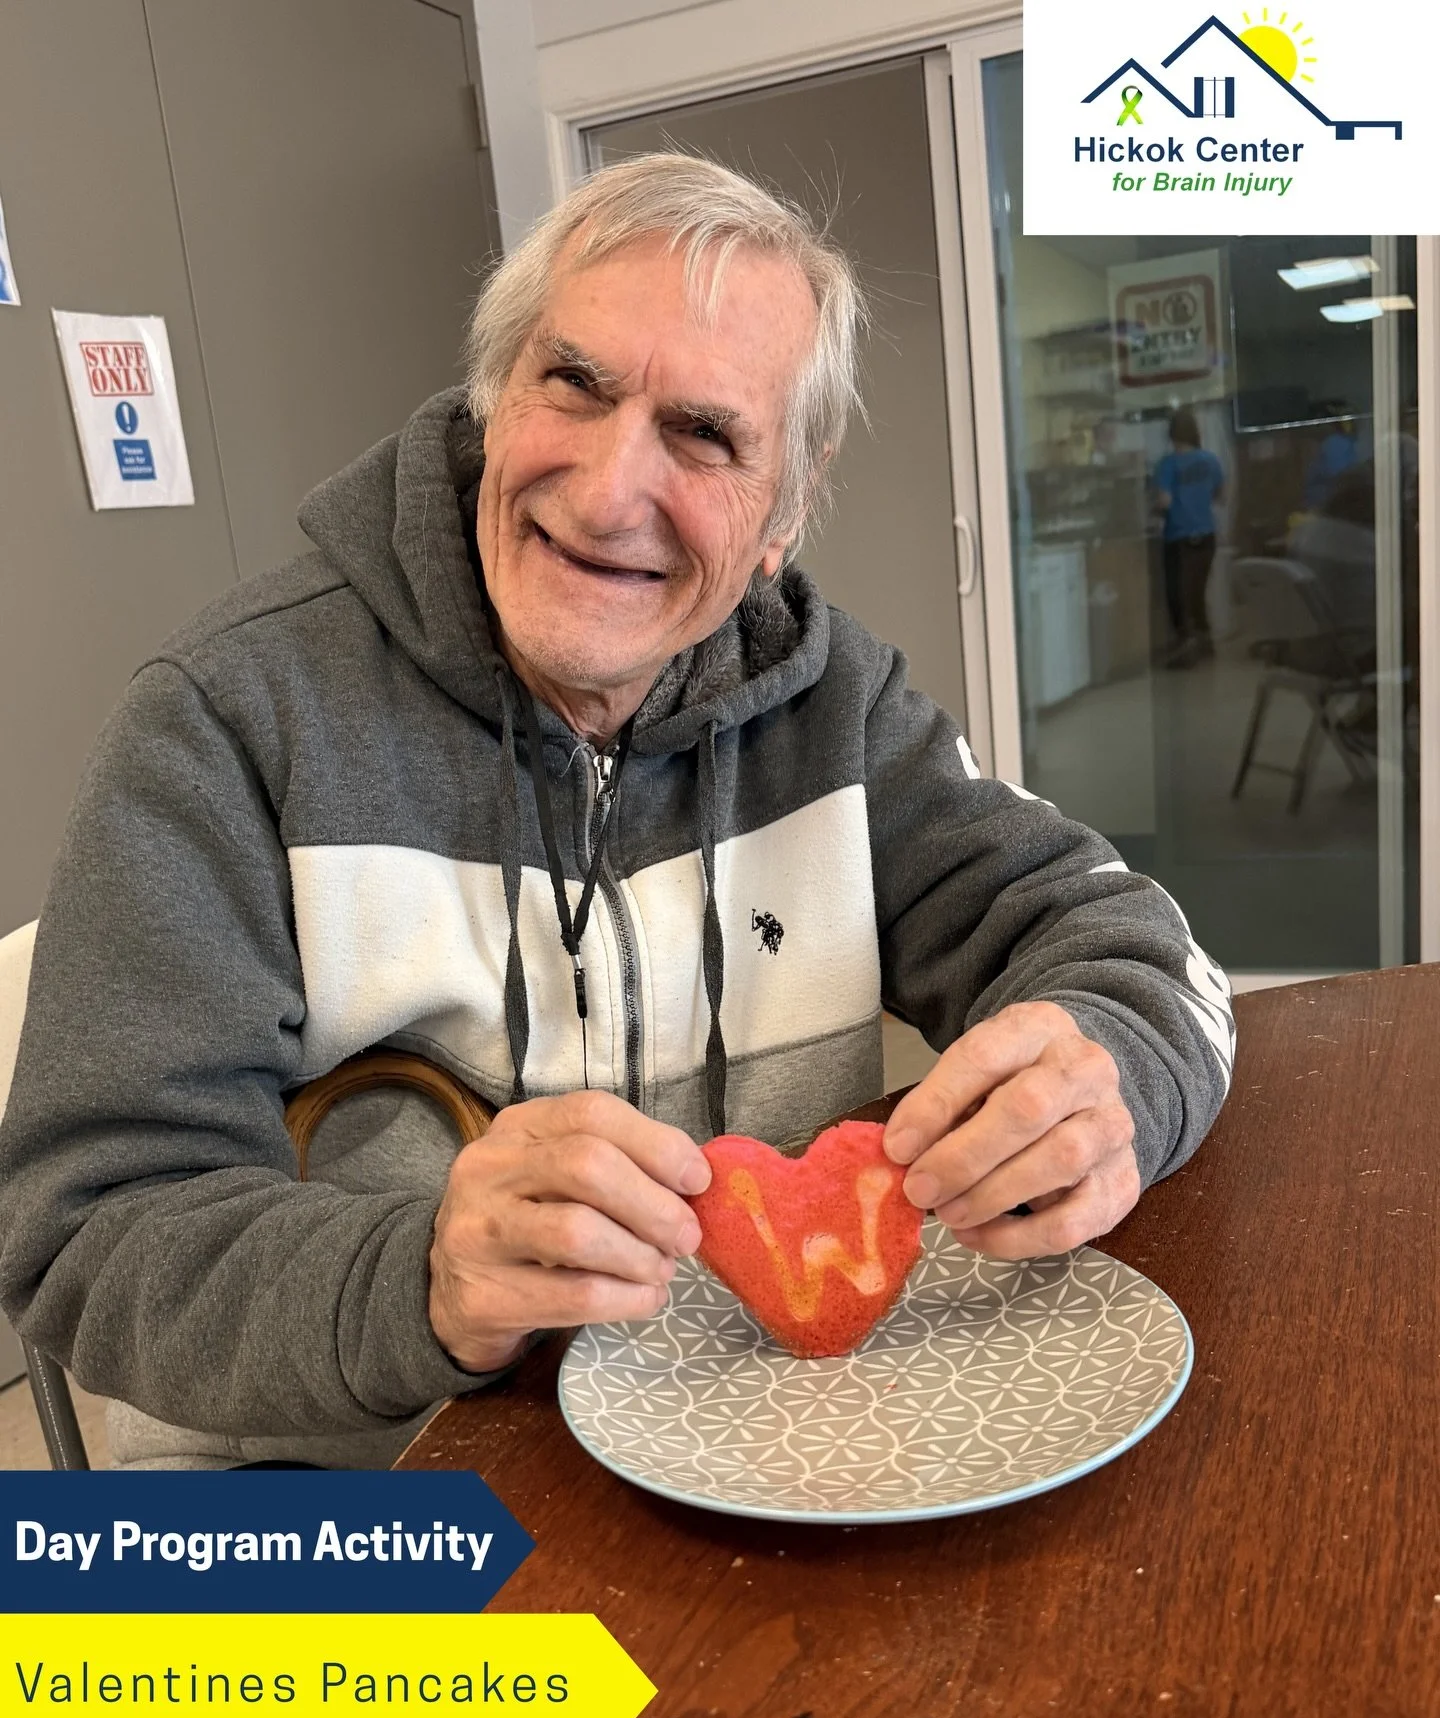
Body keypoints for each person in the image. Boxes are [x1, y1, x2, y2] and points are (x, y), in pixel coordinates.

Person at [0, 155, 1234, 1469]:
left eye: (705, 435)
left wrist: (1116, 1070)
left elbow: (1138, 954)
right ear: (494, 393)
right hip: (354, 1496)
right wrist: (417, 1272)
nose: (602, 497)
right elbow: (84, 1236)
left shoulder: (842, 708)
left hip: (768, 1460)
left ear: (785, 510)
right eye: (574, 384)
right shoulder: (227, 722)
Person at [1152, 408, 1225, 668]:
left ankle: (1186, 650)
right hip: (1206, 536)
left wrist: (1155, 514)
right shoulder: (1210, 461)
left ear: (1171, 435)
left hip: (1179, 538)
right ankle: (1206, 645)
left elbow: (1165, 500)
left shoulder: (1167, 464)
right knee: (1196, 593)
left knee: (1178, 597)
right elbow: (1219, 496)